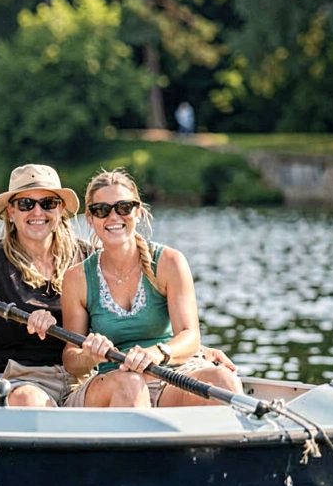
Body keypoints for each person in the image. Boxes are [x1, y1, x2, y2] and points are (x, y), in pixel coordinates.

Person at [61, 168, 240, 408]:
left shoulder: (170, 262)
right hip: (114, 382)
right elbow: (71, 360)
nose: (113, 217)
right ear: (90, 219)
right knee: (131, 385)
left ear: (138, 213)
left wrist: (157, 353)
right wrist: (88, 356)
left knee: (224, 381)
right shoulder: (77, 278)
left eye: (124, 207)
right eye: (102, 210)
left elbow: (190, 336)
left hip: (171, 374)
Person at [0, 164, 90, 407]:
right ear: (11, 212)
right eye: (26, 204)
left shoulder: (88, 257)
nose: (37, 211)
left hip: (78, 378)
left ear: (60, 209)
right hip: (13, 381)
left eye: (48, 203)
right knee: (28, 399)